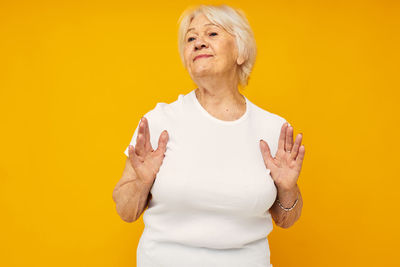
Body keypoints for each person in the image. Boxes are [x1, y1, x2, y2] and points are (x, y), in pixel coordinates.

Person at [112, 4, 305, 267]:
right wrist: (141, 184)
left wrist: (287, 188)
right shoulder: (159, 121)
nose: (199, 43)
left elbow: (287, 219)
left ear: (240, 51)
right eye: (191, 38)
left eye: (212, 34)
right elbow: (125, 211)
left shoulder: (273, 129)